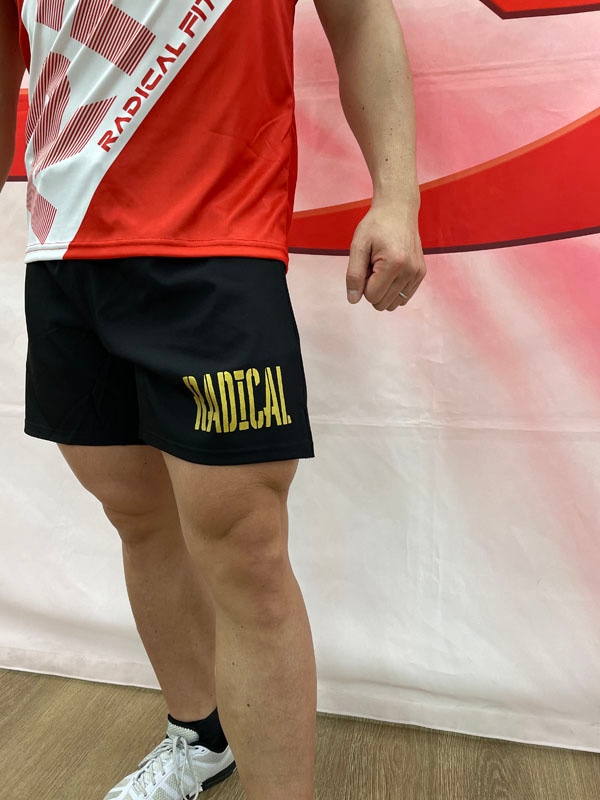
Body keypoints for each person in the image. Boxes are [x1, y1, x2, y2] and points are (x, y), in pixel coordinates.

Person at [0, 1, 426, 798]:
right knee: (135, 514)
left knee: (246, 546)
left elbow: (362, 15)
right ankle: (201, 739)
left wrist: (397, 196)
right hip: (63, 248)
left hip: (219, 243)